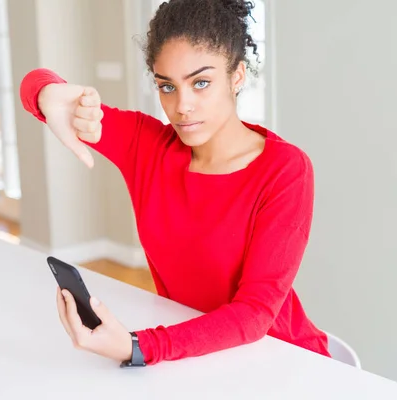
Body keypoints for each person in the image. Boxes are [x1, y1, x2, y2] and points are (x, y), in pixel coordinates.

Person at [19, 0, 331, 366]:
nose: (182, 106)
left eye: (201, 83)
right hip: (195, 355)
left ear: (237, 77)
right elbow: (36, 84)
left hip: (286, 360)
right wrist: (47, 94)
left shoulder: (284, 170)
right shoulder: (145, 145)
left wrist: (138, 347)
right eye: (167, 87)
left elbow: (254, 314)